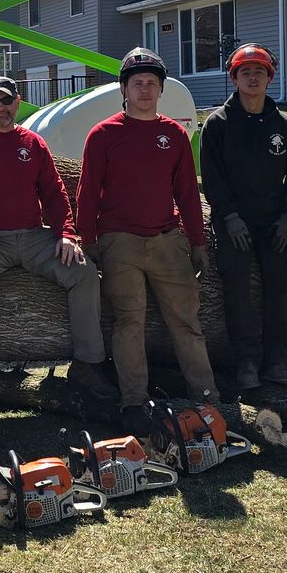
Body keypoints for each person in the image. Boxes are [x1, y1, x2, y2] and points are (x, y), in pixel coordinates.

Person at [76, 47, 227, 437]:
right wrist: (88, 241)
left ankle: (206, 396)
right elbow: (88, 191)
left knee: (186, 321)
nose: (144, 90)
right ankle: (133, 402)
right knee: (129, 322)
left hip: (166, 240)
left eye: (151, 84)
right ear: (124, 89)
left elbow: (187, 194)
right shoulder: (104, 134)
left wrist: (197, 242)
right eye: (137, 83)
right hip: (119, 241)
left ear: (161, 90)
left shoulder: (173, 134)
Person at [0, 74, 102, 398]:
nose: (1, 108)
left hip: (33, 238)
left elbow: (54, 194)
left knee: (83, 273)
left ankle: (88, 364)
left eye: (6, 101)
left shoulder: (32, 144)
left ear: (17, 102)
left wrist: (66, 234)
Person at [200, 43, 287, 392]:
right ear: (234, 78)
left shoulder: (285, 126)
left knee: (279, 287)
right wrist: (228, 217)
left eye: (259, 71)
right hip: (233, 220)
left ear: (269, 77)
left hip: (274, 220)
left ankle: (277, 360)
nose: (252, 77)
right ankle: (246, 363)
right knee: (238, 289)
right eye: (245, 71)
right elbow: (211, 176)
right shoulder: (217, 124)